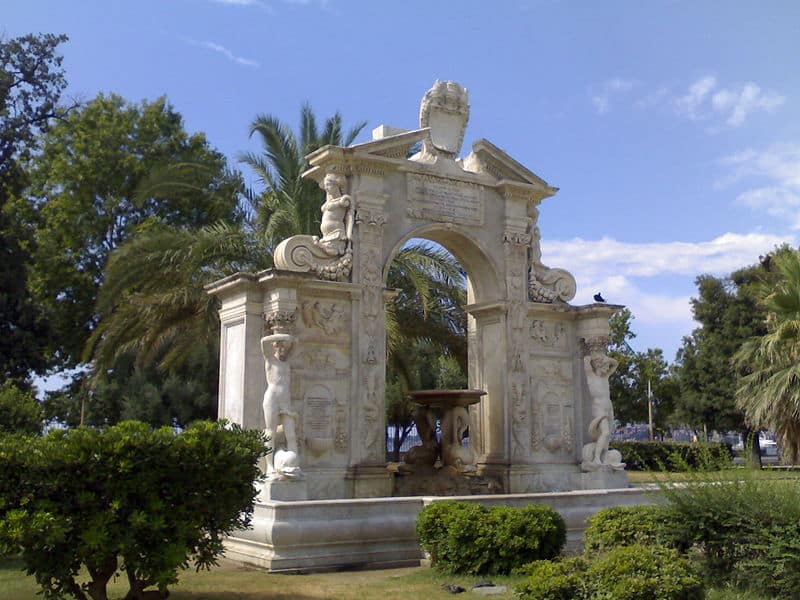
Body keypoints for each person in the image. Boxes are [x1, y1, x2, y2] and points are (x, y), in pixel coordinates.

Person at [261, 333, 301, 478]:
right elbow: (263, 341)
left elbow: (295, 343)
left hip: (286, 400)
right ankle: (269, 467)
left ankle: (294, 464)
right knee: (270, 432)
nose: (284, 350)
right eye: (281, 347)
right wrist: (280, 338)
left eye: (286, 348)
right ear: (276, 347)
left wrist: (288, 340)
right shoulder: (270, 360)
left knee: (291, 434)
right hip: (272, 397)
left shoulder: (287, 362)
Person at [583, 352, 619, 466]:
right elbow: (586, 360)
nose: (608, 368)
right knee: (605, 432)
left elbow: (615, 364)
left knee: (607, 435)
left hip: (608, 407)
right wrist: (595, 357)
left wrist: (607, 359)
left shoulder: (605, 377)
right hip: (599, 409)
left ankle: (603, 457)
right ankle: (596, 459)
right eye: (606, 366)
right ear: (599, 365)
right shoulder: (591, 376)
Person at [315, 173, 353, 256]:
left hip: (336, 234)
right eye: (325, 185)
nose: (326, 188)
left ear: (336, 185)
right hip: (326, 236)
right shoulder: (329, 201)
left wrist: (349, 235)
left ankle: (319, 245)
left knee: (331, 252)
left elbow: (349, 216)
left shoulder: (343, 200)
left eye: (328, 185)